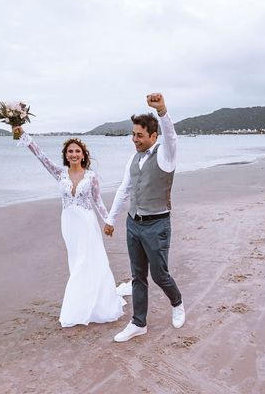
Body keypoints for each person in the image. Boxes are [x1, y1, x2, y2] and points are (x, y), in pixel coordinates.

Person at [13, 126, 126, 327]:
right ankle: (83, 301)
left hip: (87, 223)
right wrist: (25, 137)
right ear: (66, 155)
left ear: (83, 155)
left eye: (77, 151)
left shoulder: (91, 176)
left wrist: (108, 221)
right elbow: (42, 157)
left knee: (88, 261)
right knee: (76, 262)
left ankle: (82, 308)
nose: (74, 154)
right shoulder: (60, 173)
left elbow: (97, 201)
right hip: (69, 224)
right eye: (70, 151)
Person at [103, 92, 185, 342]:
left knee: (159, 275)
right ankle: (139, 323)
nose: (134, 139)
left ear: (153, 135)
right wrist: (110, 218)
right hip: (133, 224)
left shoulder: (165, 155)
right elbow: (124, 189)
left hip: (156, 225)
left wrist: (162, 112)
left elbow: (171, 136)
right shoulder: (133, 158)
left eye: (139, 135)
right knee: (138, 276)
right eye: (133, 134)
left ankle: (177, 302)